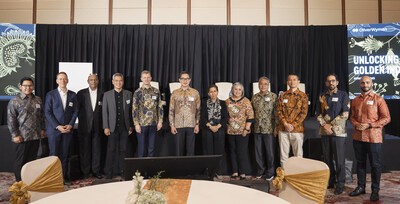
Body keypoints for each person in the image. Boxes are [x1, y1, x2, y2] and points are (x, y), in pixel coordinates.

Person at [348, 76, 390, 202]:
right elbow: (352, 117)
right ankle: (361, 187)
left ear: (371, 83)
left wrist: (370, 125)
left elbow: (386, 118)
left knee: (375, 165)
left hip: (373, 137)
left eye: (367, 82)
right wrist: (356, 124)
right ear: (359, 84)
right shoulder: (355, 100)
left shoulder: (379, 99)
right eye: (362, 82)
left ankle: (375, 190)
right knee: (360, 163)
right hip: (358, 136)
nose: (365, 84)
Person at [316, 74, 349, 195]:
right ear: (326, 83)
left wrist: (331, 125)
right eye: (329, 81)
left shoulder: (343, 95)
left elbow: (345, 114)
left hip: (338, 132)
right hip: (324, 131)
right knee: (327, 159)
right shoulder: (322, 96)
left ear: (337, 82)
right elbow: (317, 113)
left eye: (333, 81)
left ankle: (340, 184)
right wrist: (325, 125)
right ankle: (330, 181)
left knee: (339, 160)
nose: (331, 83)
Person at [7, 77, 46, 182]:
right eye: (25, 86)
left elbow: (42, 116)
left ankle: (29, 182)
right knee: (20, 162)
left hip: (35, 136)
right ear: (20, 87)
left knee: (31, 161)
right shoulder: (15, 101)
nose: (28, 88)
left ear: (33, 87)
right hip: (22, 137)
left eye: (30, 85)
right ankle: (20, 184)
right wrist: (15, 135)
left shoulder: (38, 99)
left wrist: (43, 129)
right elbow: (11, 120)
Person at [44, 72, 79, 182]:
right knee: (54, 155)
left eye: (64, 79)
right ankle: (53, 179)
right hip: (54, 131)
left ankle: (62, 178)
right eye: (60, 79)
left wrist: (70, 125)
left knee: (65, 155)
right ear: (57, 81)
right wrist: (57, 126)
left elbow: (76, 111)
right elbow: (47, 112)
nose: (63, 81)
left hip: (67, 130)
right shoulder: (51, 94)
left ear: (67, 80)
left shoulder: (73, 95)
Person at [102, 73, 133, 179]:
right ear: (112, 82)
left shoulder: (128, 94)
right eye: (116, 80)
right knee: (111, 150)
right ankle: (109, 173)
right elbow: (104, 112)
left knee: (123, 151)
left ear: (123, 82)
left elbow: (130, 112)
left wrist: (130, 126)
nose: (118, 83)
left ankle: (123, 172)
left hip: (124, 128)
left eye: (120, 81)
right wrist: (106, 126)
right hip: (112, 127)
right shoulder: (107, 94)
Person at [276, 74, 308, 166]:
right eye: (290, 80)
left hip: (297, 130)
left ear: (298, 82)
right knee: (283, 156)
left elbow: (303, 113)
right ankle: (285, 176)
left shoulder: (303, 96)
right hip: (283, 129)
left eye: (294, 80)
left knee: (298, 155)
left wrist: (292, 125)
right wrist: (285, 124)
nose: (292, 82)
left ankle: (297, 177)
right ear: (287, 82)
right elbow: (279, 111)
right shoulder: (282, 95)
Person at [77, 74, 103, 179]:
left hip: (98, 127)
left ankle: (96, 171)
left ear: (98, 81)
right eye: (91, 80)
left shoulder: (102, 94)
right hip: (84, 127)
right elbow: (76, 110)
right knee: (85, 151)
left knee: (97, 150)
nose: (93, 81)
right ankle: (85, 172)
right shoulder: (81, 93)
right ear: (88, 81)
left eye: (95, 80)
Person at [226, 82, 254, 180]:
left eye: (239, 89)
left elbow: (250, 116)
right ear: (232, 90)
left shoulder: (246, 101)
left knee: (242, 152)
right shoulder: (227, 101)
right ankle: (235, 171)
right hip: (230, 131)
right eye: (236, 89)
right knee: (232, 152)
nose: (237, 91)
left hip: (243, 131)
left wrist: (246, 129)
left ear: (242, 91)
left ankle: (243, 172)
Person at [251, 77, 278, 180]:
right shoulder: (254, 97)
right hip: (257, 128)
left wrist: (276, 128)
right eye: (261, 84)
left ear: (268, 85)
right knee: (258, 152)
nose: (263, 86)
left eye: (265, 84)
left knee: (269, 152)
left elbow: (276, 114)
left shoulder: (273, 96)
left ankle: (270, 172)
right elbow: (252, 112)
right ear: (258, 85)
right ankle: (260, 170)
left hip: (269, 129)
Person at [169, 71, 200, 156]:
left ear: (189, 80)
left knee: (190, 151)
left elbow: (198, 110)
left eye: (187, 79)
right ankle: (179, 168)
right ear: (179, 80)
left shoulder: (195, 93)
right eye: (183, 79)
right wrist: (172, 125)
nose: (185, 81)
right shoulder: (175, 93)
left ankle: (189, 169)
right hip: (178, 125)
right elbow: (171, 109)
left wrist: (197, 124)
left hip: (191, 125)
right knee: (179, 151)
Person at [132, 70, 163, 157]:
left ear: (151, 78)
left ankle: (150, 169)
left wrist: (160, 121)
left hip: (153, 123)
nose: (146, 79)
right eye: (144, 77)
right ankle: (141, 170)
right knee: (141, 149)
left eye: (148, 77)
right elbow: (134, 109)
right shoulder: (137, 92)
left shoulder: (156, 91)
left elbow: (159, 107)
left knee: (151, 149)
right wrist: (136, 124)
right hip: (141, 124)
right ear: (141, 79)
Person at [200, 84, 228, 176]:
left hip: (219, 129)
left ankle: (218, 172)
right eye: (211, 91)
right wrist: (210, 126)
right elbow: (202, 117)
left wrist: (218, 126)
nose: (213, 93)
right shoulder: (204, 103)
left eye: (214, 91)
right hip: (208, 129)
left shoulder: (223, 103)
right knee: (208, 151)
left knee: (219, 151)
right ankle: (208, 172)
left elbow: (225, 117)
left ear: (217, 92)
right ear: (208, 93)